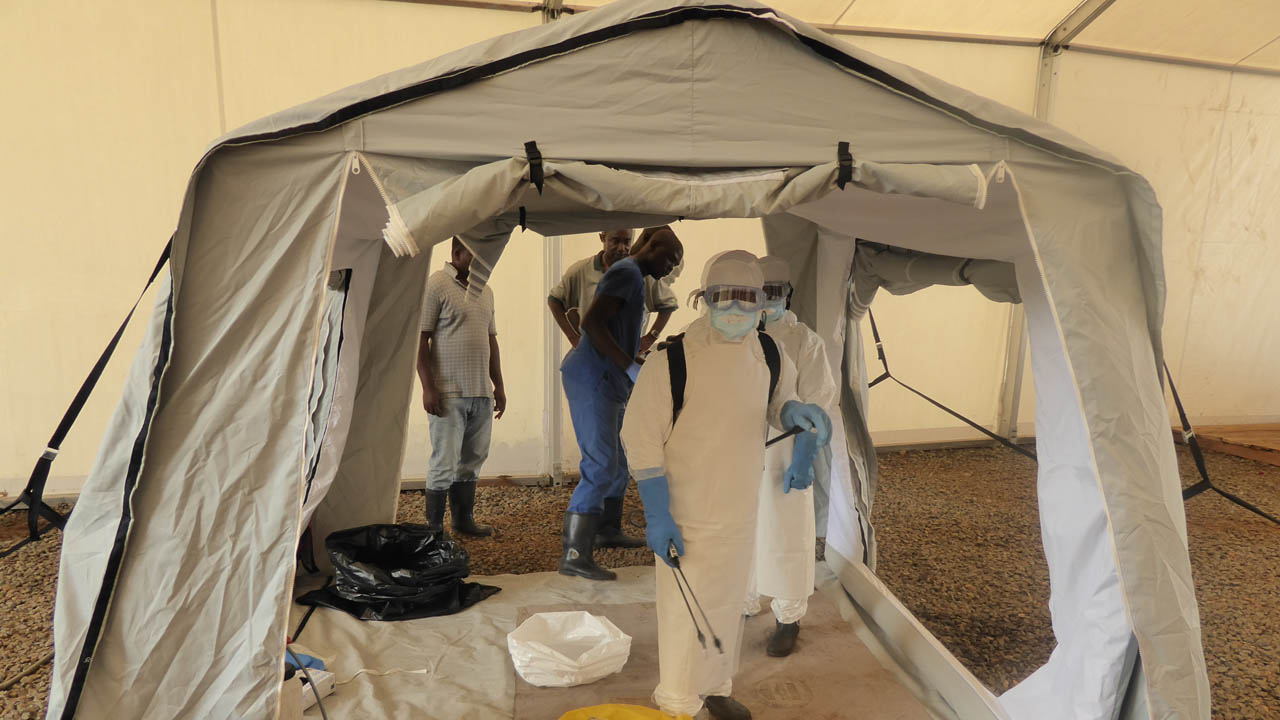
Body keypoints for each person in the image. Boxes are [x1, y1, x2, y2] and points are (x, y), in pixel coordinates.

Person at [620, 250, 832, 720]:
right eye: (723, 299)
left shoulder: (770, 352)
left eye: (747, 300)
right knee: (683, 612)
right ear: (704, 299)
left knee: (728, 602)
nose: (735, 311)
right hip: (686, 513)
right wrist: (656, 514)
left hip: (740, 510)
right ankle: (678, 702)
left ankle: (715, 685)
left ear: (762, 304)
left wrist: (797, 414)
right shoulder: (672, 359)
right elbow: (639, 438)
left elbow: (781, 401)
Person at [558, 227, 684, 581]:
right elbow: (592, 323)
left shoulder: (635, 277)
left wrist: (635, 360)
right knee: (599, 463)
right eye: (670, 260)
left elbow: (613, 329)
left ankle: (606, 529)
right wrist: (628, 365)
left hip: (607, 378)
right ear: (652, 245)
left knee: (617, 459)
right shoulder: (627, 272)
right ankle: (573, 553)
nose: (672, 269)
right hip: (592, 377)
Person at [744, 255, 838, 658]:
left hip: (786, 451)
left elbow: (818, 404)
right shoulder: (739, 334)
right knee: (743, 531)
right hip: (742, 451)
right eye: (759, 293)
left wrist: (804, 457)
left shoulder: (806, 342)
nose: (767, 300)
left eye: (775, 292)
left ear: (788, 294)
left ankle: (788, 616)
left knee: (786, 533)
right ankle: (744, 600)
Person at [417, 237, 506, 538]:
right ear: (456, 253)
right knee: (444, 460)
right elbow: (420, 338)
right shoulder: (436, 285)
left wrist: (499, 387)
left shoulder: (487, 291)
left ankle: (463, 520)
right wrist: (428, 387)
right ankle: (432, 530)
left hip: (480, 392)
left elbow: (491, 340)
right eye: (476, 257)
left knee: (472, 459)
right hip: (448, 393)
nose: (483, 263)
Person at [547, 228, 679, 354]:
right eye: (615, 241)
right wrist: (573, 338)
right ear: (603, 237)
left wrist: (650, 337)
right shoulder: (581, 270)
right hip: (593, 355)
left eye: (627, 241)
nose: (622, 248)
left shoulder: (643, 273)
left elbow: (668, 305)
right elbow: (554, 300)